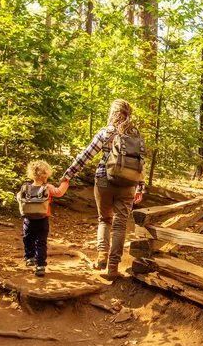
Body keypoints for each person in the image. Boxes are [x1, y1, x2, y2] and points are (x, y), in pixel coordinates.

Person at [60, 99, 144, 280]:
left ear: (113, 113)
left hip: (104, 180)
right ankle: (113, 268)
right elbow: (141, 163)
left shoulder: (106, 133)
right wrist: (140, 187)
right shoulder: (136, 136)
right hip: (129, 184)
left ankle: (101, 259)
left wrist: (68, 175)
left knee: (105, 220)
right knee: (121, 225)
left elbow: (86, 156)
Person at [17, 160, 69, 277]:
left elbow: (19, 197)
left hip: (28, 219)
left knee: (28, 238)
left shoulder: (26, 188)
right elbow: (59, 192)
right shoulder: (47, 187)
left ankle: (29, 257)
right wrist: (65, 182)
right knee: (41, 241)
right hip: (42, 219)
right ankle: (40, 265)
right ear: (46, 175)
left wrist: (20, 198)